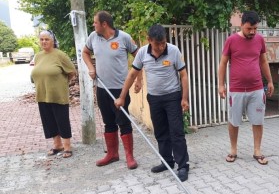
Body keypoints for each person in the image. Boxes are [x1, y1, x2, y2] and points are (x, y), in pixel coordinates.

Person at [114, 24, 190, 182]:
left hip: (172, 97)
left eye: (163, 43)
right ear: (149, 41)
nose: (161, 47)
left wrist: (184, 98)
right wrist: (121, 97)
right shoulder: (142, 53)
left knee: (176, 132)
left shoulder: (174, 51)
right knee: (161, 133)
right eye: (157, 44)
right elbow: (132, 74)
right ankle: (167, 162)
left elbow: (183, 75)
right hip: (154, 99)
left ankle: (183, 166)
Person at [82, 11, 141, 169]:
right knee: (108, 122)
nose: (93, 25)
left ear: (104, 24)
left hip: (120, 90)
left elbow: (139, 57)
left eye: (95, 22)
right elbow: (85, 53)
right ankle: (112, 154)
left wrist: (138, 80)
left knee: (123, 122)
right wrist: (90, 67)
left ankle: (129, 156)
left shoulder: (124, 38)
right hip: (102, 88)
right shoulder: (93, 37)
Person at [218, 10, 274, 165]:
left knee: (258, 120)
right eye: (249, 28)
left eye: (255, 28)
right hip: (236, 89)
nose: (252, 32)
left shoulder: (260, 40)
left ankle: (257, 151)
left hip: (256, 89)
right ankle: (233, 150)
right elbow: (223, 63)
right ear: (241, 25)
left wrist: (269, 81)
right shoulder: (231, 40)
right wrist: (221, 84)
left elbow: (263, 61)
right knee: (234, 121)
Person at [31, 30, 76, 158]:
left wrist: (62, 83)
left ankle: (67, 147)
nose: (44, 42)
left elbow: (72, 71)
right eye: (42, 39)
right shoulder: (38, 56)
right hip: (42, 94)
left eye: (47, 39)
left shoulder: (60, 55)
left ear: (53, 41)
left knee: (62, 121)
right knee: (49, 121)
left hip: (58, 95)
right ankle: (57, 145)